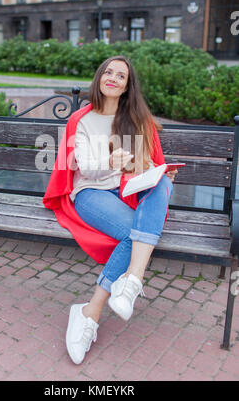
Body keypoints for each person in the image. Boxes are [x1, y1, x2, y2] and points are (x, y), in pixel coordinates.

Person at [43, 55, 178, 365]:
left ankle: (122, 289)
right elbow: (79, 167)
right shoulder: (82, 120)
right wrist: (109, 162)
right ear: (100, 78)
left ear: (127, 86)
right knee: (137, 234)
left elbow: (148, 163)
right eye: (109, 72)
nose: (113, 78)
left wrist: (160, 173)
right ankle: (103, 303)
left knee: (162, 184)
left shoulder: (136, 119)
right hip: (91, 192)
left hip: (125, 192)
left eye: (121, 75)